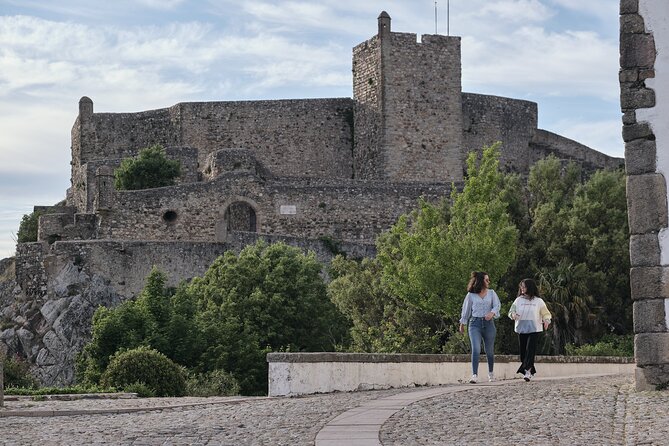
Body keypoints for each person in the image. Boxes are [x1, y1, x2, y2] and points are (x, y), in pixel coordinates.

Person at [459, 271, 501, 383]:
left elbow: (497, 306)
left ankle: (491, 373)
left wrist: (492, 313)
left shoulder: (492, 293)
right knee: (476, 349)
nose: (489, 282)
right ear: (480, 281)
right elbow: (466, 310)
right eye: (486, 280)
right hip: (474, 324)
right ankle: (474, 375)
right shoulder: (471, 295)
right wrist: (462, 323)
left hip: (489, 324)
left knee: (489, 350)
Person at [508, 278, 552, 382]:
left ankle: (527, 371)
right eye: (521, 287)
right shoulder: (518, 300)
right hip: (521, 329)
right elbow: (511, 311)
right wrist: (513, 315)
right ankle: (528, 369)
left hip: (534, 329)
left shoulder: (538, 301)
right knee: (523, 353)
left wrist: (546, 321)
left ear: (530, 287)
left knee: (530, 351)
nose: (522, 289)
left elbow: (546, 313)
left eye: (524, 286)